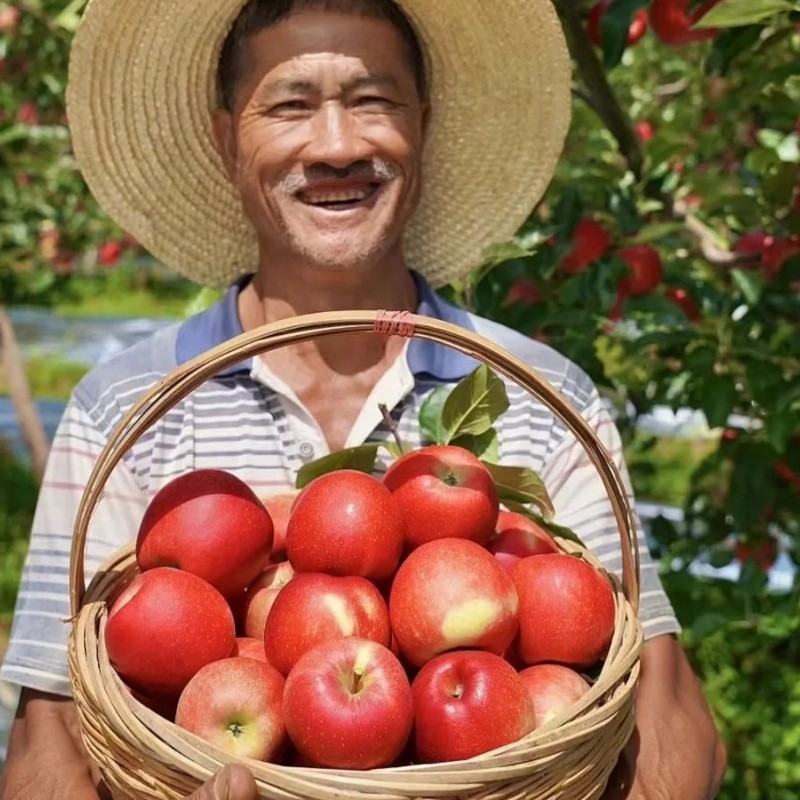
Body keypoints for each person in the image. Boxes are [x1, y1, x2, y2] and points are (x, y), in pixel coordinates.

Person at [0, 0, 727, 798]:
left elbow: (668, 715)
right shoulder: (126, 409)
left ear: (424, 123)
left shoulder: (539, 398)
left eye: (374, 100)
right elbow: (48, 740)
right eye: (290, 104)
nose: (338, 144)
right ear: (223, 137)